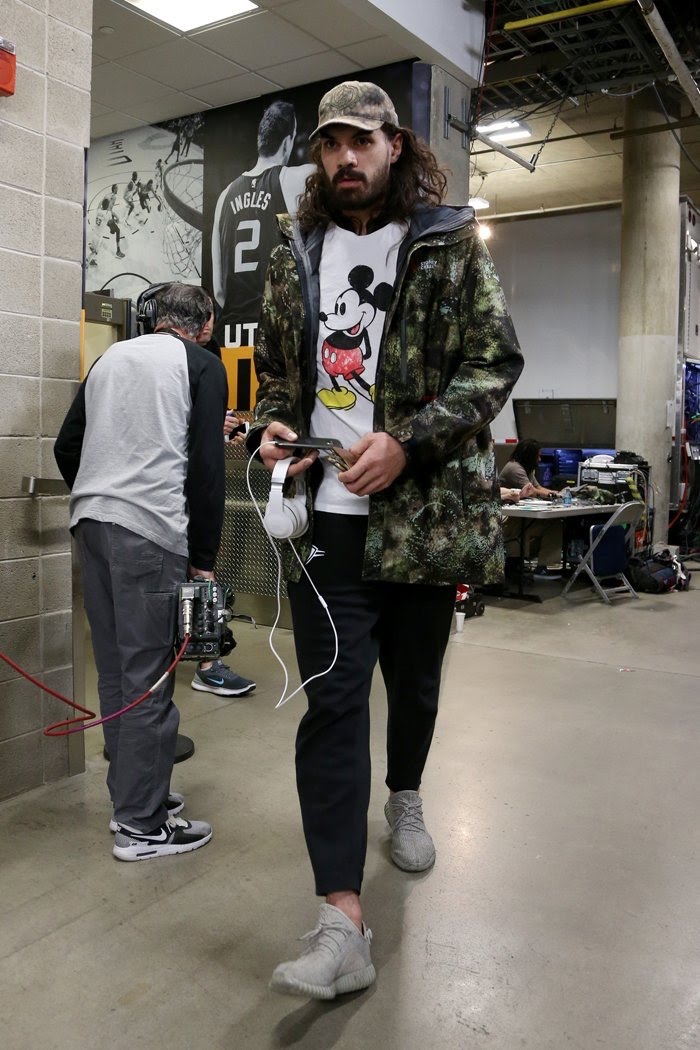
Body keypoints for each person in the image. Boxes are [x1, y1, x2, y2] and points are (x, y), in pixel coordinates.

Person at [247, 80, 524, 999]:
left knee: (415, 683)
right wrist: (275, 425)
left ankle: (405, 793)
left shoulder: (446, 243)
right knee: (332, 704)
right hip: (326, 519)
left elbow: (495, 363)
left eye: (359, 142)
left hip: (424, 518)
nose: (344, 159)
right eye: (329, 145)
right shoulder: (295, 251)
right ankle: (342, 922)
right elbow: (281, 375)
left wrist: (407, 441)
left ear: (394, 145)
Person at [53, 283, 228, 862]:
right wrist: (204, 558)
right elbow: (207, 469)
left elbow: (66, 445)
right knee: (150, 677)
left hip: (91, 524)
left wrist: (103, 491)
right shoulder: (200, 365)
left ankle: (130, 796)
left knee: (115, 673)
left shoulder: (110, 358)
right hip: (150, 532)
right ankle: (143, 826)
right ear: (203, 326)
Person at [189, 297, 257, 698]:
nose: (207, 326)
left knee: (203, 573)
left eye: (211, 318)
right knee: (198, 575)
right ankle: (204, 664)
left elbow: (212, 414)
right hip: (171, 486)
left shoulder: (211, 357)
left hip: (202, 480)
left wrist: (227, 424)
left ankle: (207, 662)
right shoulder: (167, 359)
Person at [211, 99, 314, 348]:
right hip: (276, 331)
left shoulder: (225, 196)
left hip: (231, 333)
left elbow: (220, 290)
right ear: (287, 141)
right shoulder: (298, 178)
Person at [499, 438, 563, 579]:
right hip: (508, 519)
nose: (539, 459)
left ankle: (544, 566)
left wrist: (557, 494)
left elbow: (538, 487)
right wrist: (553, 495)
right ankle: (517, 566)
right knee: (546, 525)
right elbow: (532, 491)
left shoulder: (526, 469)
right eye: (537, 456)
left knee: (555, 523)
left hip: (521, 516)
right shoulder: (514, 468)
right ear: (529, 455)